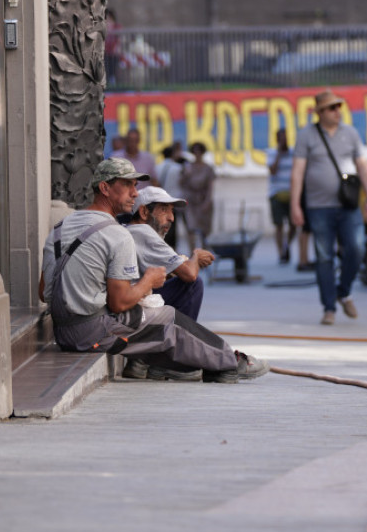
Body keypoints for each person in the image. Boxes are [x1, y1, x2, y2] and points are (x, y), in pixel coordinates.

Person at [39, 157, 268, 384]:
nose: (135, 193)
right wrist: (148, 281)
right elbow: (120, 303)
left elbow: (44, 292)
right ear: (105, 188)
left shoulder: (60, 228)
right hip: (94, 334)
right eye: (127, 185)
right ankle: (230, 361)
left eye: (135, 186)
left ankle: (194, 364)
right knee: (168, 318)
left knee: (154, 318)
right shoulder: (117, 235)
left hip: (63, 333)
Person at [290, 90, 367, 325]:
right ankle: (329, 307)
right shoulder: (307, 135)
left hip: (349, 205)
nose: (337, 111)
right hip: (318, 207)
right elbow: (298, 171)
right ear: (319, 112)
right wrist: (295, 204)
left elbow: (363, 167)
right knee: (324, 257)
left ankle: (343, 290)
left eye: (339, 107)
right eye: (331, 108)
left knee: (357, 248)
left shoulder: (350, 133)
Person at [127, 186, 215, 321]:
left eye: (172, 211)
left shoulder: (132, 231)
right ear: (144, 212)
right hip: (133, 304)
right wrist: (196, 255)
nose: (171, 218)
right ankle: (184, 336)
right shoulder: (143, 232)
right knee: (193, 285)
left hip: (132, 297)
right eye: (164, 210)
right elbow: (189, 274)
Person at [268, 128, 295, 264]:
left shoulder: (293, 153)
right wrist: (279, 153)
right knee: (279, 225)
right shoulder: (272, 153)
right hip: (276, 193)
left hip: (291, 194)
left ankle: (287, 246)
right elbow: (272, 170)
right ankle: (280, 252)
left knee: (293, 224)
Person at [181, 142, 216, 249]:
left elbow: (210, 187)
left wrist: (207, 201)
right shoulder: (188, 167)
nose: (197, 154)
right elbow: (181, 183)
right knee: (191, 228)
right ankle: (193, 252)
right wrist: (186, 175)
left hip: (203, 199)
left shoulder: (208, 168)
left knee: (204, 229)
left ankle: (204, 253)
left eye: (199, 152)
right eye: (195, 152)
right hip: (191, 201)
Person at [156, 142, 187, 249]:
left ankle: (164, 248)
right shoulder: (178, 168)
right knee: (174, 229)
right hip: (175, 201)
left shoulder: (158, 167)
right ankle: (173, 250)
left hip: (161, 201)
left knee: (163, 227)